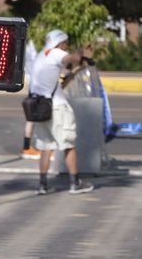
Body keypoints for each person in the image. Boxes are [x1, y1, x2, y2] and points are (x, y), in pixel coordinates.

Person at [30, 29, 95, 195]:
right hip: (58, 108)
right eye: (66, 43)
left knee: (46, 146)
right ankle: (75, 183)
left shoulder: (41, 56)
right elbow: (71, 58)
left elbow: (58, 85)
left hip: (41, 107)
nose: (67, 47)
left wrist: (76, 70)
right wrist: (80, 52)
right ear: (61, 42)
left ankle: (42, 185)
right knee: (68, 144)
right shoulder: (57, 53)